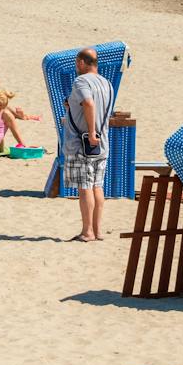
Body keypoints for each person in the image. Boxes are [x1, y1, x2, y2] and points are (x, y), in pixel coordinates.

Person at [65, 48, 113, 243]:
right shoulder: (107, 83)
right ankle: (98, 230)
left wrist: (91, 132)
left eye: (77, 63)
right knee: (97, 186)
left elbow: (88, 103)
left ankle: (87, 232)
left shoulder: (81, 81)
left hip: (82, 144)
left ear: (82, 62)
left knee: (85, 187)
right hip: (102, 144)